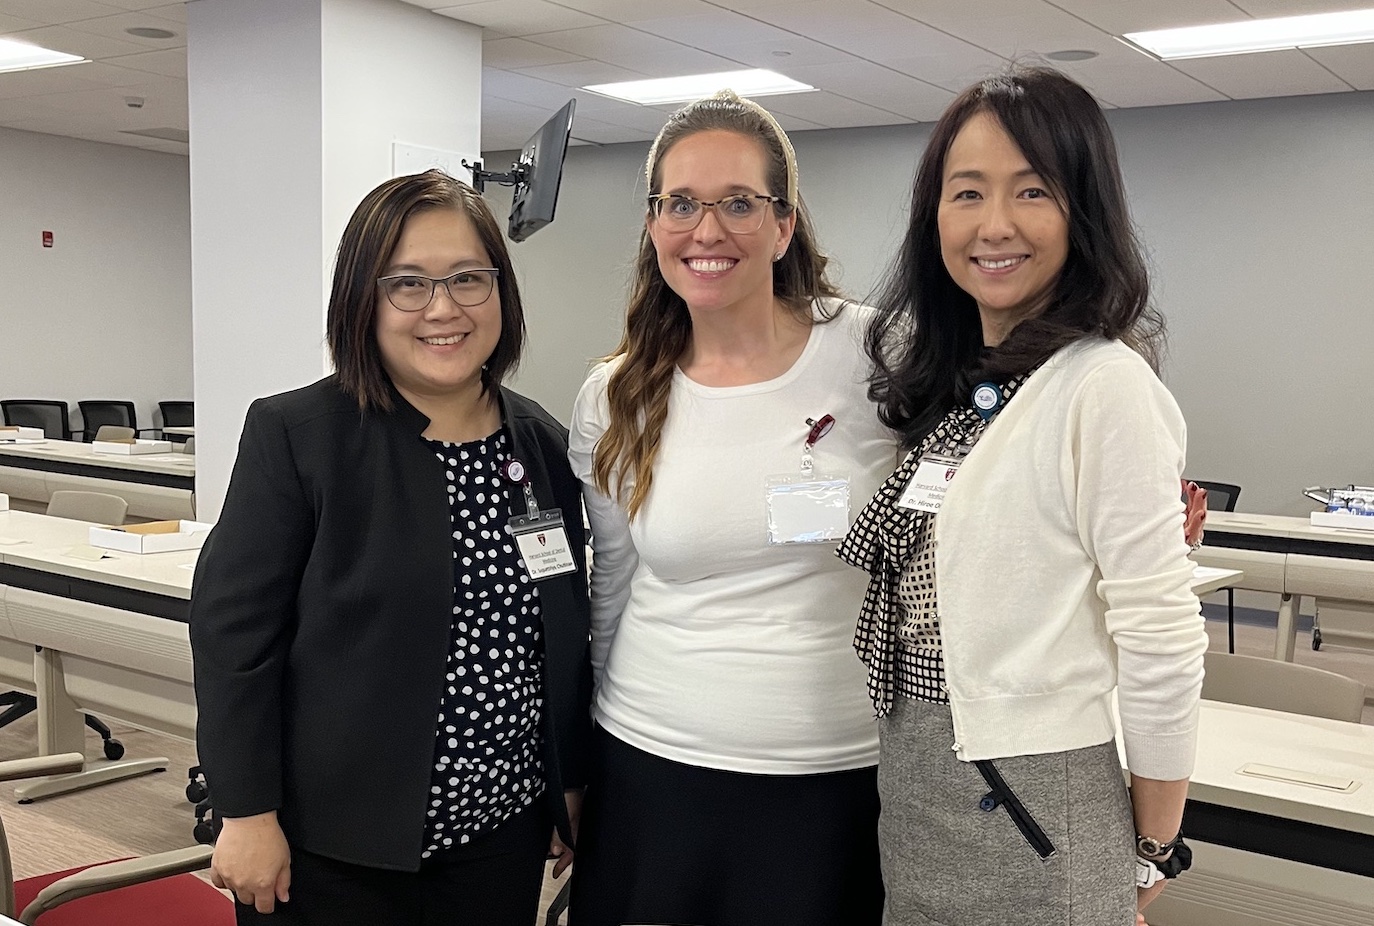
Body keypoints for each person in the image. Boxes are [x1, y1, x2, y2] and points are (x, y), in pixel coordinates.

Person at [837, 66, 1209, 926]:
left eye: (1032, 191)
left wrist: (1151, 850)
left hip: (1031, 799)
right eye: (967, 192)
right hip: (921, 783)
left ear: (1083, 211)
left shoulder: (1101, 386)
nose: (993, 224)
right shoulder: (967, 389)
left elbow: (1159, 635)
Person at [189, 170, 591, 926]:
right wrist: (245, 810)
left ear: (500, 290)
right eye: (407, 283)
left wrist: (568, 778)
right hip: (332, 846)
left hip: (500, 836)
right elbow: (233, 636)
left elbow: (561, 630)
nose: (443, 309)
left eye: (469, 279)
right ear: (362, 300)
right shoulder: (301, 436)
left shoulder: (539, 444)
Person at [567, 91, 892, 926]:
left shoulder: (878, 354)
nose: (705, 231)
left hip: (836, 775)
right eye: (680, 203)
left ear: (784, 225)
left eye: (738, 204)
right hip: (652, 764)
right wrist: (583, 762)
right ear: (653, 224)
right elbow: (612, 589)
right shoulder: (617, 395)